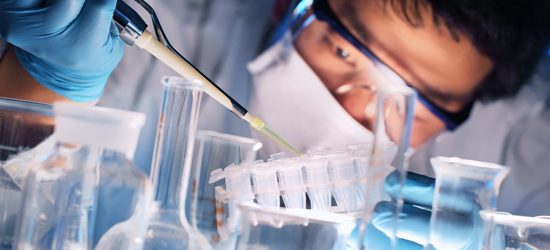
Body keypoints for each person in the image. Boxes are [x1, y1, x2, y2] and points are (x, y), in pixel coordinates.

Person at [1, 0, 550, 248]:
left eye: (411, 102)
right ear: (290, 6)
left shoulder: (524, 145)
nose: (353, 109)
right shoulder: (169, 28)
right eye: (342, 49)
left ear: (471, 110)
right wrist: (42, 81)